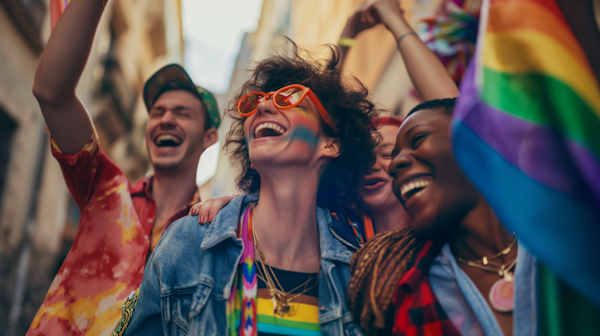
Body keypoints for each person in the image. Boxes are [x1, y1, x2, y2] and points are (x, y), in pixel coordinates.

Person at [117, 41, 379, 335]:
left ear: (330, 144)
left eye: (289, 99)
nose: (264, 106)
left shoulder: (358, 273)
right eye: (257, 102)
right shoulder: (189, 242)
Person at [28, 0, 219, 333]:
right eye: (157, 113)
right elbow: (51, 93)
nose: (165, 119)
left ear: (209, 137)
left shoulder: (211, 232)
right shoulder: (105, 189)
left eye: (182, 113)